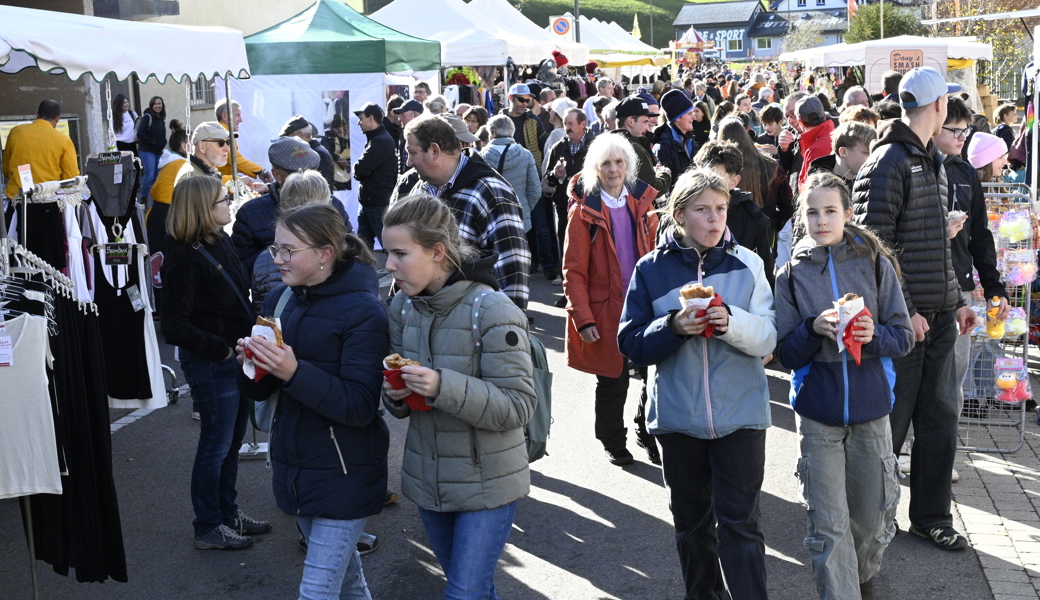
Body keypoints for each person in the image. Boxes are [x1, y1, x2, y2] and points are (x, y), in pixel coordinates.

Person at [618, 168, 776, 600]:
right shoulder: (651, 269)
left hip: (741, 416)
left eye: (720, 209)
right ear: (679, 215)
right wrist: (672, 326)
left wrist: (732, 323)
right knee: (691, 527)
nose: (714, 219)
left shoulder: (748, 263)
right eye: (702, 210)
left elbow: (768, 336)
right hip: (677, 419)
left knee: (741, 525)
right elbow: (631, 343)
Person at [380, 194, 536, 600]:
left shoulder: (492, 309)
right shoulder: (401, 308)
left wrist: (440, 386)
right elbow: (401, 407)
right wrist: (396, 393)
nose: (389, 266)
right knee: (474, 591)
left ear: (437, 252)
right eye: (387, 253)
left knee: (463, 593)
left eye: (399, 253)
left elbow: (518, 405)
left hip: (489, 483)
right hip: (429, 480)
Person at [852, 67, 978, 551]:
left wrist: (956, 299)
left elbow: (929, 246)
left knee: (939, 422)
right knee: (891, 425)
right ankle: (873, 520)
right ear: (940, 107)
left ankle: (930, 516)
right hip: (907, 324)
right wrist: (904, 312)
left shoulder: (928, 159)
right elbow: (872, 247)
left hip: (940, 314)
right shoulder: (890, 160)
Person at [237, 202, 388, 599]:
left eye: (289, 250)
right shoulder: (279, 301)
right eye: (275, 249)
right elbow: (260, 394)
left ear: (325, 254)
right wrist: (254, 367)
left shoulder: (365, 312)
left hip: (345, 472)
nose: (277, 260)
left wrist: (292, 371)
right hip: (294, 467)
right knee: (349, 582)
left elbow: (359, 405)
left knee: (317, 592)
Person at [775, 173, 913, 600]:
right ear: (802, 217)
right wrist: (813, 329)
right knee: (829, 524)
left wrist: (875, 337)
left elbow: (903, 336)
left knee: (872, 520)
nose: (821, 220)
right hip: (819, 414)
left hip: (872, 411)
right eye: (812, 212)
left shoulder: (874, 262)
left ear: (848, 214)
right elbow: (784, 352)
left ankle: (862, 583)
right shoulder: (791, 274)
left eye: (830, 211)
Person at [161, 175, 271, 550]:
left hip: (235, 357)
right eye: (223, 199)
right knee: (216, 445)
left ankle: (228, 514)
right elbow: (173, 325)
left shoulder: (217, 239)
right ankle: (208, 525)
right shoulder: (182, 255)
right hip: (214, 362)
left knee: (231, 442)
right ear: (202, 209)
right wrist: (221, 350)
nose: (230, 203)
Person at [563, 134, 660, 466]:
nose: (614, 169)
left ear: (628, 165)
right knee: (612, 382)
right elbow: (573, 272)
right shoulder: (582, 214)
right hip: (606, 310)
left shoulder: (643, 204)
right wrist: (583, 318)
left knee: (653, 374)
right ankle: (612, 440)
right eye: (606, 163)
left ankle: (647, 431)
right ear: (595, 168)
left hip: (644, 306)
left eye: (619, 162)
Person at [394, 115, 531, 310]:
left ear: (434, 150)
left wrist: (506, 326)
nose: (409, 162)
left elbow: (512, 263)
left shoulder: (489, 190)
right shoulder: (421, 188)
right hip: (425, 317)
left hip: (473, 321)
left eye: (412, 153)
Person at [938, 99, 1009, 424]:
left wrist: (995, 287)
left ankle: (942, 457)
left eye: (966, 131)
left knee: (954, 378)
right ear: (936, 122)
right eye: (957, 130)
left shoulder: (966, 170)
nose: (963, 137)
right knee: (921, 378)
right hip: (922, 290)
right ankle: (907, 450)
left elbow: (981, 235)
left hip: (962, 290)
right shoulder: (912, 164)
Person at [232, 137, 351, 274]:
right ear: (277, 175)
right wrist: (282, 252)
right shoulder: (250, 213)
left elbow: (350, 249)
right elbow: (240, 269)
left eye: (314, 170)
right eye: (297, 173)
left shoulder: (333, 204)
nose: (308, 177)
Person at [249, 170, 333, 310]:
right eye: (279, 249)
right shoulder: (347, 254)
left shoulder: (265, 259)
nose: (278, 259)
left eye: (288, 250)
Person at [694, 140, 775, 283]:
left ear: (734, 182)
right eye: (702, 175)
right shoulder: (680, 214)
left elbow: (766, 278)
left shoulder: (755, 221)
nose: (706, 183)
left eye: (715, 178)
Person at [542, 108, 595, 284]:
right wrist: (555, 175)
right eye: (565, 123)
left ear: (583, 124)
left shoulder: (594, 147)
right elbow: (547, 178)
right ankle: (569, 289)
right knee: (566, 247)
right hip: (564, 206)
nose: (567, 128)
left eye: (570, 124)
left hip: (589, 206)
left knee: (589, 248)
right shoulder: (559, 147)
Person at [717, 117, 792, 237]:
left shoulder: (717, 169)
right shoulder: (771, 165)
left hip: (728, 233)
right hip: (764, 233)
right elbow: (787, 203)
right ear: (745, 134)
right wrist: (773, 226)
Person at [480, 115, 541, 250]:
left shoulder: (482, 157)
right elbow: (535, 191)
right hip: (519, 218)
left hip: (492, 217)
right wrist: (524, 209)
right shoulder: (526, 155)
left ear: (493, 133)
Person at [3, 100, 79, 202]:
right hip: (48, 199)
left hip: (16, 197)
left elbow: (6, 168)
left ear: (37, 113)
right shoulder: (63, 140)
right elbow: (71, 178)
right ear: (57, 118)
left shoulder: (16, 132)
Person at [352, 102, 398, 251]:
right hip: (369, 203)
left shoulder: (381, 140)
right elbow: (360, 170)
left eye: (361, 118)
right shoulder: (377, 139)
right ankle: (367, 274)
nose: (359, 122)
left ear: (371, 118)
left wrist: (361, 170)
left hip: (377, 204)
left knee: (390, 247)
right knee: (362, 250)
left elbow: (360, 169)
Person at [612, 96, 671, 195]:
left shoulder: (606, 144)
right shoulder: (634, 149)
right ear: (630, 121)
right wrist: (665, 174)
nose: (648, 128)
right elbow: (652, 190)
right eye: (645, 122)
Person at [214, 98, 270, 183]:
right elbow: (235, 159)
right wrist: (260, 171)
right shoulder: (222, 133)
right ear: (225, 116)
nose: (241, 120)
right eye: (237, 115)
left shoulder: (222, 131)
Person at [808, 121, 877, 189]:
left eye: (873, 152)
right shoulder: (821, 189)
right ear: (843, 152)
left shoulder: (871, 181)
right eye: (866, 152)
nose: (872, 158)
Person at [653, 89, 700, 179]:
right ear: (678, 117)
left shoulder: (690, 140)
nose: (694, 117)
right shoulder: (663, 147)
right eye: (690, 113)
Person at [281, 115, 337, 188]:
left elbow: (322, 187)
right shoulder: (313, 151)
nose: (289, 142)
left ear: (301, 134)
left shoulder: (318, 153)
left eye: (290, 138)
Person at [502, 83, 548, 169]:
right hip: (507, 170)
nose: (525, 103)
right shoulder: (500, 121)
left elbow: (544, 146)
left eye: (527, 100)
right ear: (510, 97)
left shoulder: (534, 120)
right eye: (521, 99)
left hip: (531, 170)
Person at [795, 96, 837, 190]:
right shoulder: (836, 136)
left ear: (800, 122)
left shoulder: (815, 149)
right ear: (825, 116)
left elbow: (807, 188)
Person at [394, 99, 424, 174]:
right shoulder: (403, 134)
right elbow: (402, 164)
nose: (399, 119)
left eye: (403, 115)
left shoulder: (425, 136)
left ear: (415, 116)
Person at [322, 115, 351, 192]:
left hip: (346, 176)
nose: (346, 131)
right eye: (344, 128)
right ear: (336, 129)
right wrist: (338, 158)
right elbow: (326, 153)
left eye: (347, 128)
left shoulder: (346, 139)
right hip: (334, 177)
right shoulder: (328, 138)